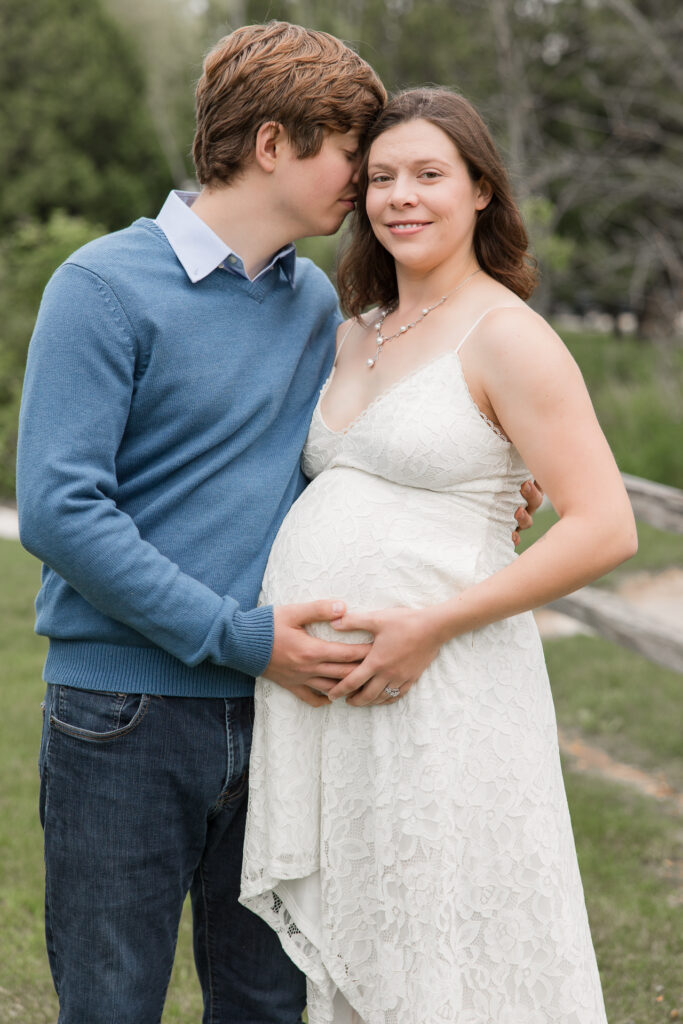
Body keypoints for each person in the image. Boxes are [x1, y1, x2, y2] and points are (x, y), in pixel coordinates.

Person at [16, 22, 392, 1024]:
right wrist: (238, 636)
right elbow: (59, 510)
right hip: (123, 715)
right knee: (112, 1004)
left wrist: (473, 495)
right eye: (349, 150)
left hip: (281, 713)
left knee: (267, 1006)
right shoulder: (100, 288)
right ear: (273, 143)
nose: (363, 178)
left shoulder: (311, 302)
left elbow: (331, 467)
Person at [240, 88, 638, 1024]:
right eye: (380, 177)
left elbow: (605, 523)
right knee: (369, 936)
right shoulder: (350, 331)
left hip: (445, 685)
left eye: (428, 174)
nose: (400, 197)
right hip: (332, 703)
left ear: (481, 193)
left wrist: (430, 624)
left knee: (446, 931)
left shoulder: (507, 335)